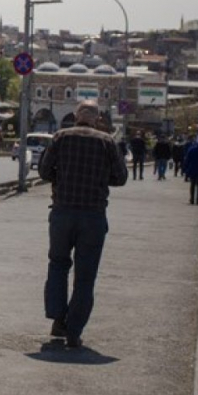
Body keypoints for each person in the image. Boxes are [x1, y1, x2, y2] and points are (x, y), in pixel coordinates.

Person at [38, 101, 128, 348]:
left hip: (62, 212)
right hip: (93, 216)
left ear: (77, 115)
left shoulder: (60, 137)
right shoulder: (107, 141)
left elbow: (44, 172)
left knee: (58, 265)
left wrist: (62, 179)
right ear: (97, 118)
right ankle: (74, 331)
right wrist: (100, 180)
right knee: (85, 277)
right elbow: (121, 178)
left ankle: (58, 319)